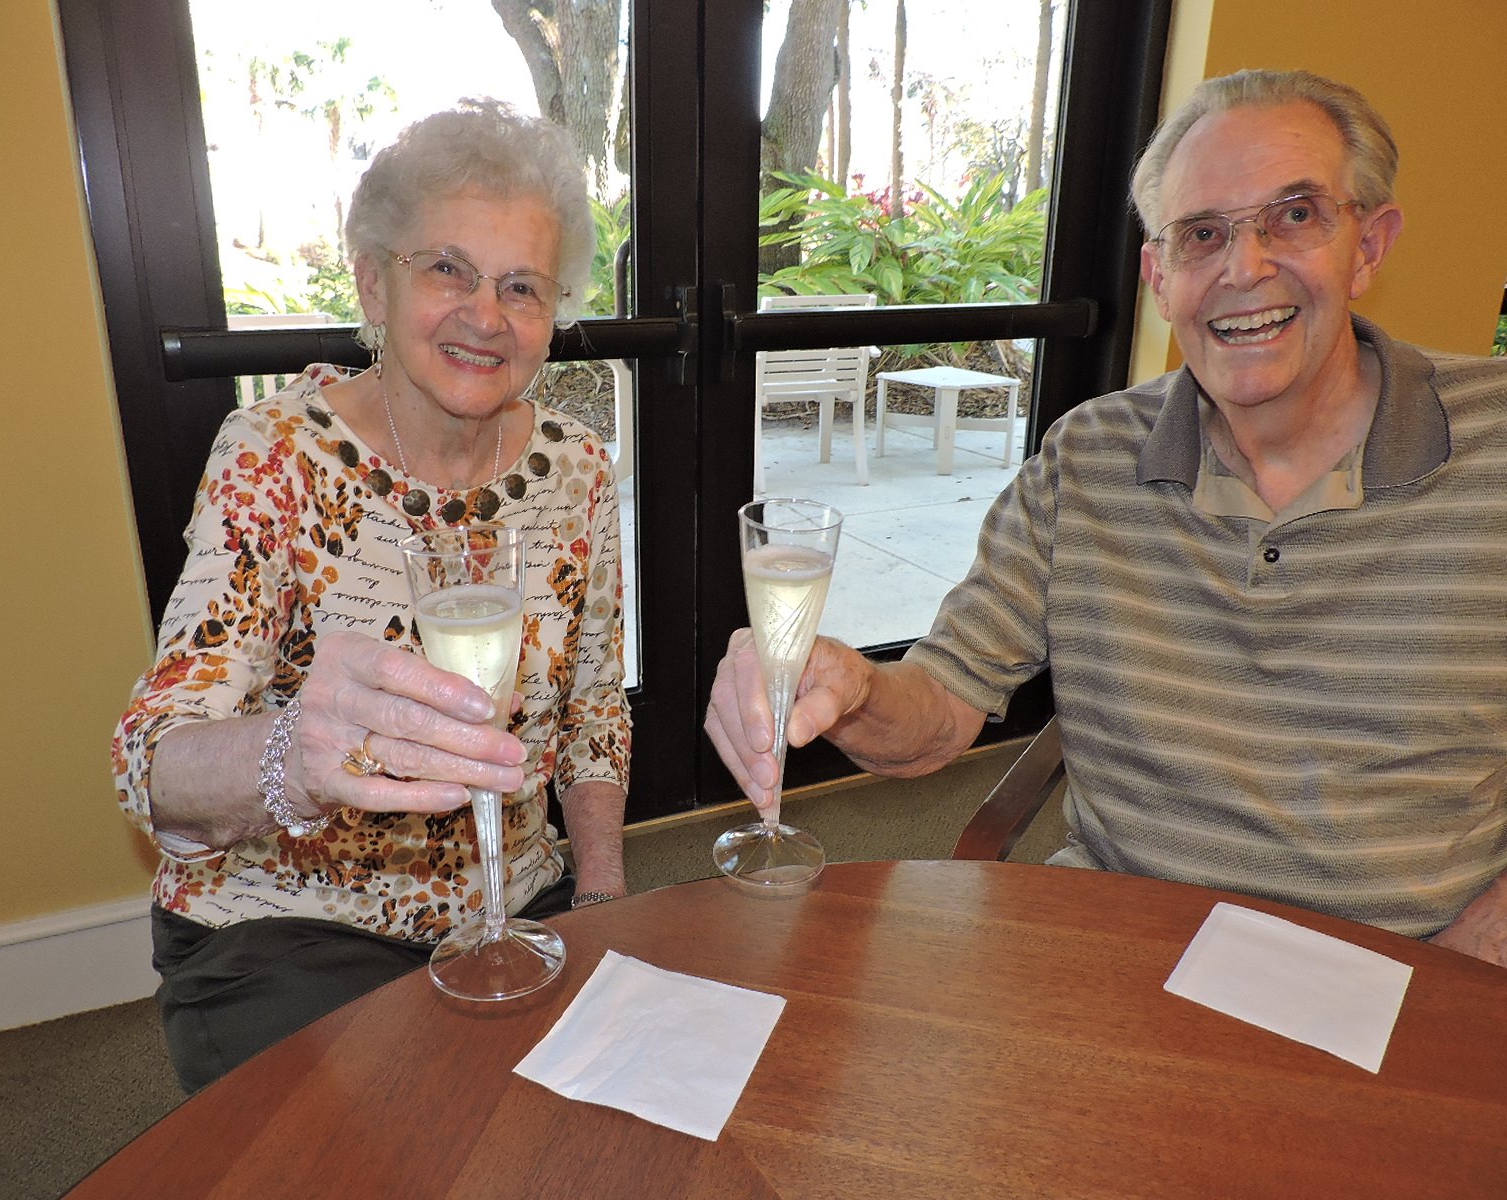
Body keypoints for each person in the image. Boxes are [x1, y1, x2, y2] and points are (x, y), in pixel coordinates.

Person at [706, 69, 1507, 967]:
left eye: (1294, 216)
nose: (1245, 269)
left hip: (1403, 966)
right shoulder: (1086, 458)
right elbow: (938, 709)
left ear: (1369, 243)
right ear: (1161, 278)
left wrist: (1472, 955)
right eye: (1203, 234)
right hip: (1119, 952)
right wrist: (851, 690)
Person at [113, 99, 631, 1092]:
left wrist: (602, 893)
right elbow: (150, 765)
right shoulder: (274, 457)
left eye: (521, 286)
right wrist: (290, 756)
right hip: (290, 925)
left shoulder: (578, 470)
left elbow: (594, 705)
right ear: (371, 280)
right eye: (447, 269)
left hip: (515, 908)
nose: (486, 314)